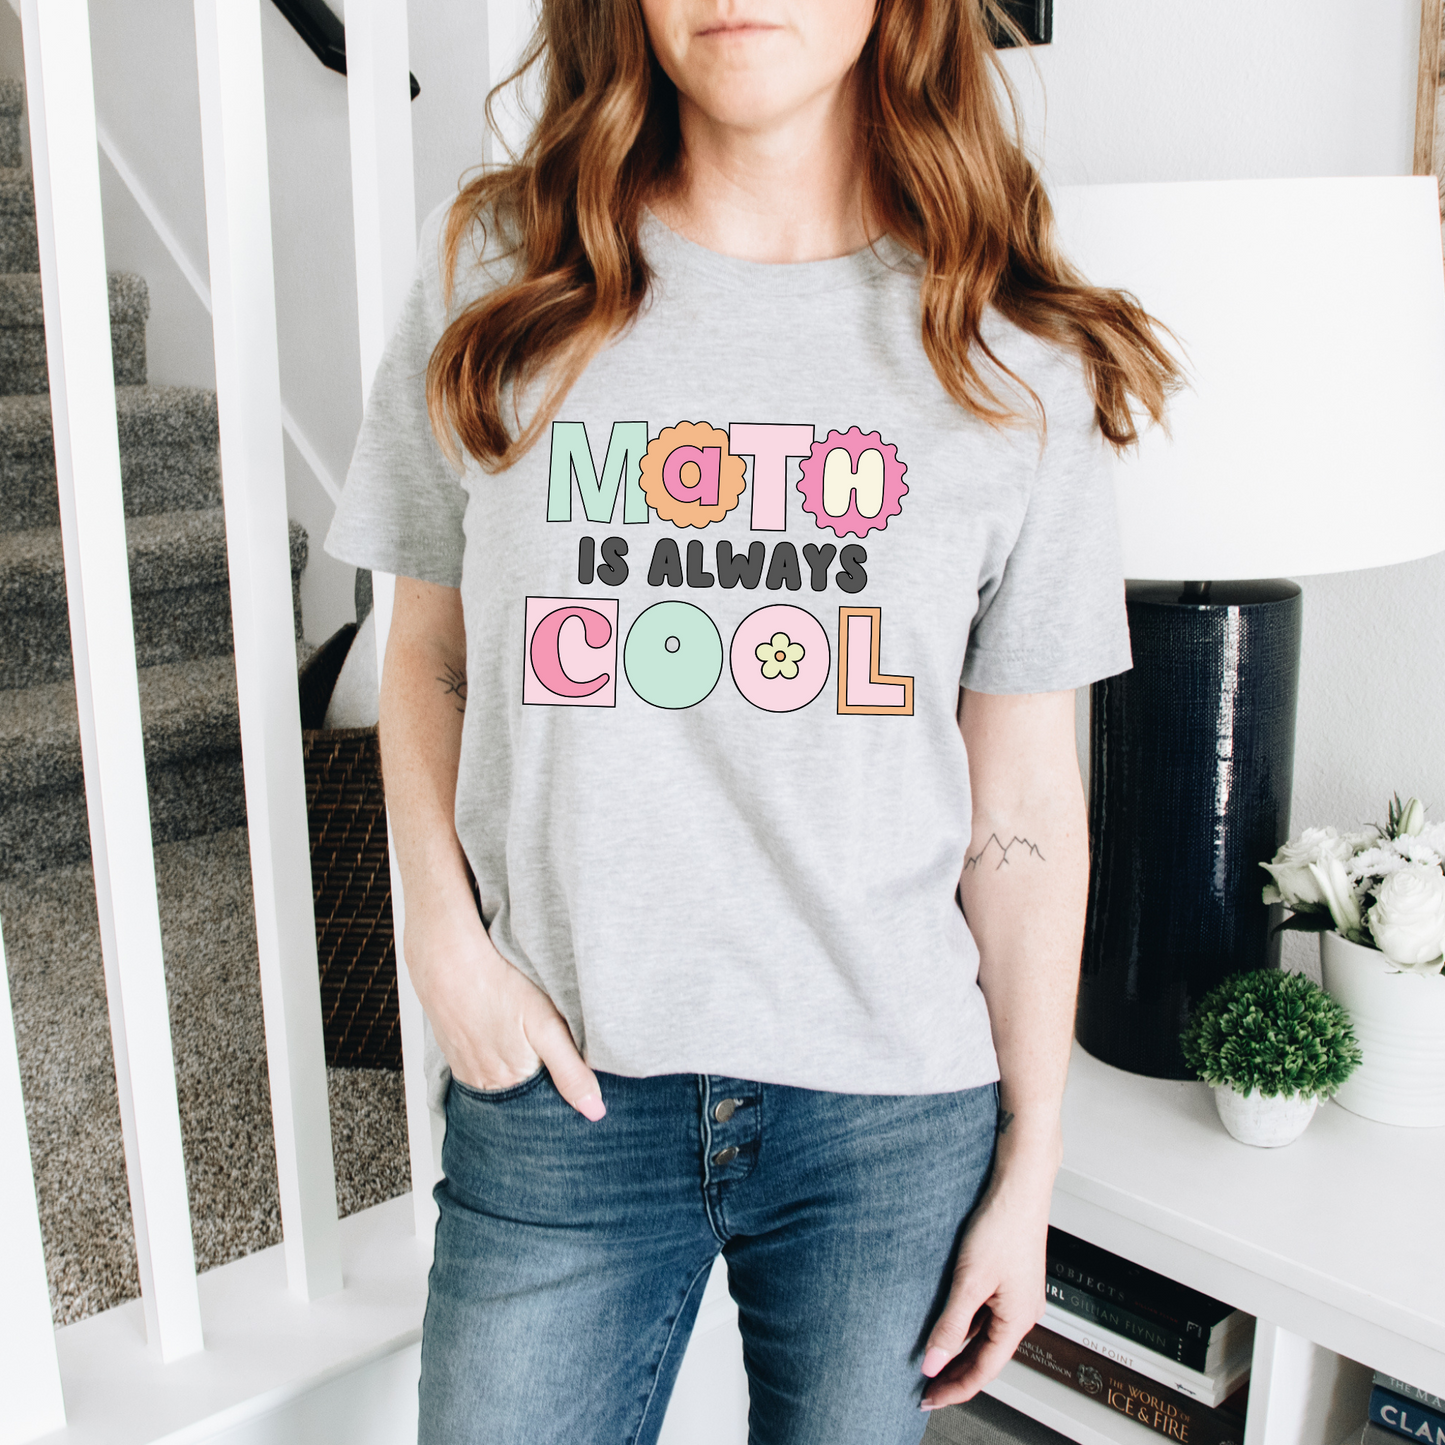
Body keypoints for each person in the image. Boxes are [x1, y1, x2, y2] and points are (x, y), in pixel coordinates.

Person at [326, 2, 1178, 1441]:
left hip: (886, 1119)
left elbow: (1027, 803)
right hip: (563, 1087)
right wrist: (444, 945)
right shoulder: (498, 267)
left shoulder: (1016, 346)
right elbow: (432, 648)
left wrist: (1031, 1161)